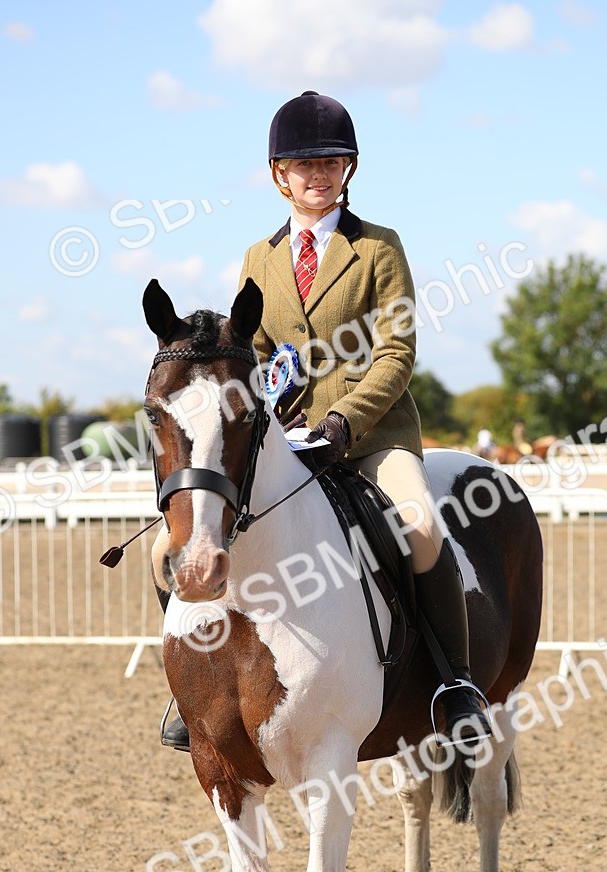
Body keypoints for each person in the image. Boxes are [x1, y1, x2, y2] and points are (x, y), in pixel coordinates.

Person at [160, 91, 488, 752]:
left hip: (371, 435)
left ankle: (455, 682)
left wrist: (343, 420)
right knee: (181, 543)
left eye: (331, 162)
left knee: (421, 526)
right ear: (279, 174)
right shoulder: (259, 257)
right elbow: (248, 354)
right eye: (304, 164)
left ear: (349, 169)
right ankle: (192, 687)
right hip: (284, 439)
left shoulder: (379, 248)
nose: (318, 174)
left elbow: (396, 351)